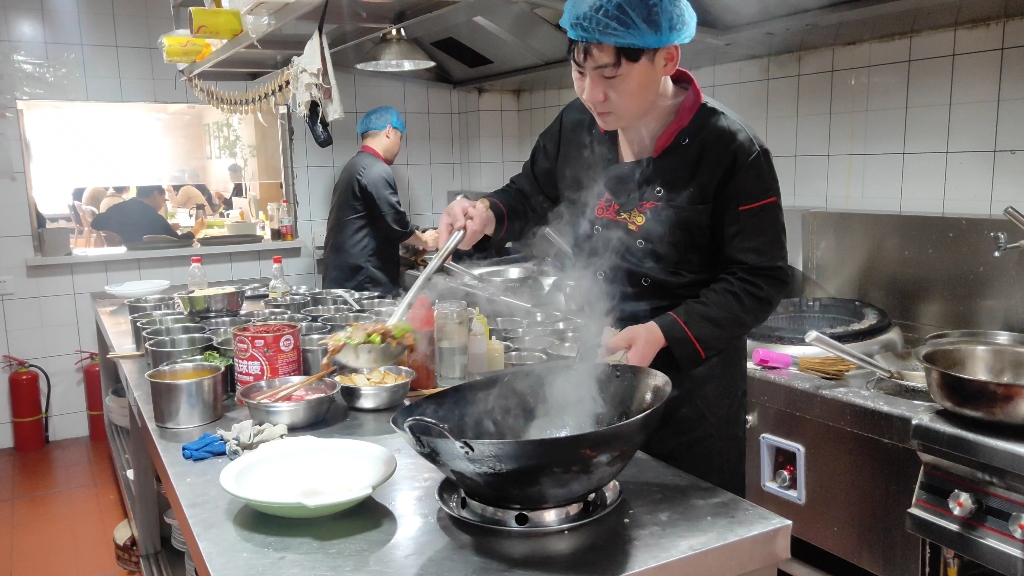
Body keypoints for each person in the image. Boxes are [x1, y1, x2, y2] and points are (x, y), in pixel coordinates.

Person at [436, 0, 788, 496]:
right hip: (594, 378)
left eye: (610, 75)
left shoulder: (729, 148)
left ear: (667, 59)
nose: (591, 94)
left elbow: (760, 278)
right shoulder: (576, 124)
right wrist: (486, 212)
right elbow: (530, 192)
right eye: (579, 72)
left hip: (691, 400)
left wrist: (662, 332)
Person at [322, 106, 439, 295]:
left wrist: (415, 235)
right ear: (389, 132)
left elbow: (380, 219)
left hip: (347, 278)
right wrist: (425, 240)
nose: (399, 147)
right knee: (372, 326)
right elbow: (396, 224)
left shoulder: (355, 165)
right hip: (364, 282)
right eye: (400, 139)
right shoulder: (375, 169)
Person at [92, 185, 206, 244]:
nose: (162, 204)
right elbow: (180, 242)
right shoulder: (153, 218)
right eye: (163, 199)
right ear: (155, 195)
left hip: (123, 259)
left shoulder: (121, 207)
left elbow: (95, 223)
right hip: (147, 261)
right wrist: (196, 229)